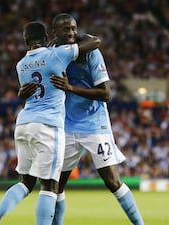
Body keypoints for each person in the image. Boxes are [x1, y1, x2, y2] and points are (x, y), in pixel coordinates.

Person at [0, 21, 101, 225]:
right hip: (48, 126)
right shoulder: (56, 54)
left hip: (23, 124)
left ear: (25, 41)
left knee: (26, 182)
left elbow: (28, 91)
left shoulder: (20, 65)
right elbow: (94, 43)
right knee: (50, 186)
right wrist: (70, 39)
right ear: (46, 39)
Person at [48, 13, 145, 225]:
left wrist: (71, 88)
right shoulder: (53, 54)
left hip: (95, 125)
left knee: (113, 181)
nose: (72, 33)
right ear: (55, 33)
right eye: (66, 30)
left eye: (74, 29)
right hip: (66, 126)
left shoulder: (92, 53)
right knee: (56, 185)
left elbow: (106, 94)